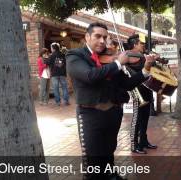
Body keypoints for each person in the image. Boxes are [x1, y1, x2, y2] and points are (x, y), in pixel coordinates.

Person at [66, 22, 155, 180]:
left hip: (113, 113)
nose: (102, 41)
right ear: (87, 37)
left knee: (108, 153)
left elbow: (126, 84)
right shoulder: (75, 56)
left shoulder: (110, 59)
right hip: (90, 114)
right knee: (93, 161)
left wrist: (145, 69)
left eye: (105, 37)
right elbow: (90, 76)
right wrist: (118, 63)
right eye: (98, 36)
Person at [126, 34, 158, 154]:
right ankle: (134, 145)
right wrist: (148, 61)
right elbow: (140, 68)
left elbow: (149, 67)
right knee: (137, 118)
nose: (143, 45)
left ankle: (143, 141)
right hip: (137, 90)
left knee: (145, 117)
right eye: (141, 43)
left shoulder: (142, 56)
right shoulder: (129, 56)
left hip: (146, 89)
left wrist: (153, 61)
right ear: (134, 45)